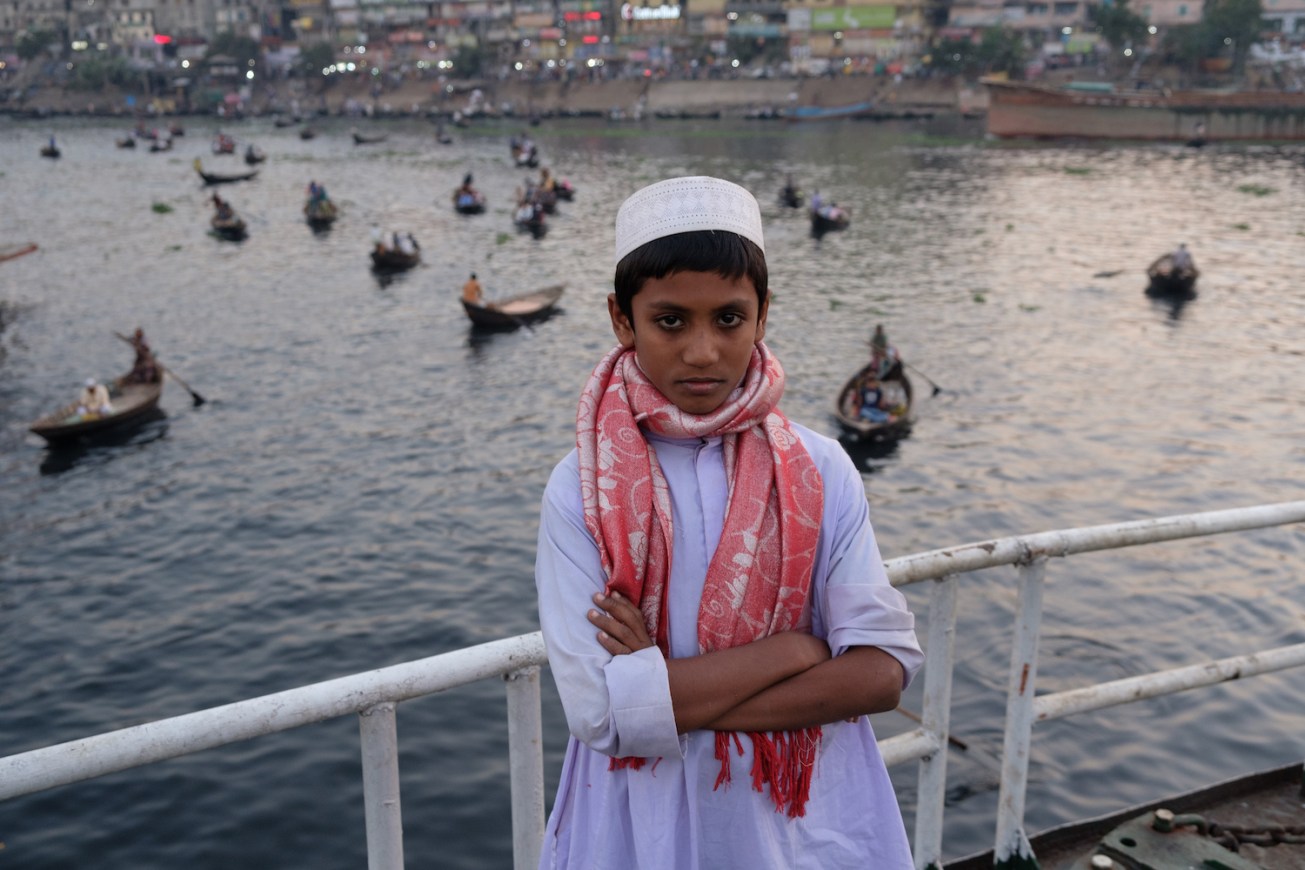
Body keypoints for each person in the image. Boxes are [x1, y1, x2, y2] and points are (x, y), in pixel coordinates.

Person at [534, 176, 923, 869]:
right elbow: (597, 711)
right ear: (622, 320)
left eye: (728, 319)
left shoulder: (819, 466)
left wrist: (655, 694)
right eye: (670, 320)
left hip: (800, 814)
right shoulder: (581, 488)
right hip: (642, 816)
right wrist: (795, 652)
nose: (703, 351)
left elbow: (878, 675)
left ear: (762, 315)